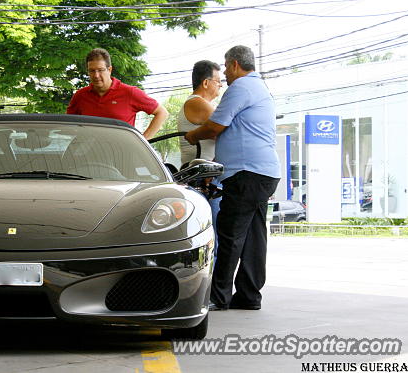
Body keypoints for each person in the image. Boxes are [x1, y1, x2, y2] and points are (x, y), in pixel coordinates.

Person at [184, 45, 280, 311]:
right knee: (253, 237)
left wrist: (192, 136)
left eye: (226, 67)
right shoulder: (259, 87)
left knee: (230, 234)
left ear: (235, 64)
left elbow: (216, 125)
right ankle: (249, 296)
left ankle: (218, 296)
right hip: (264, 172)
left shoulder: (240, 88)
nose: (225, 73)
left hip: (246, 173)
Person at [67, 48, 168, 139]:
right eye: (92, 71)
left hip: (121, 155)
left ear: (109, 69)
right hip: (88, 154)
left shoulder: (129, 92)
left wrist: (142, 141)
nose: (96, 75)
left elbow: (162, 113)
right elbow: (68, 125)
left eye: (100, 70)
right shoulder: (80, 96)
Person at [177, 60, 223, 255]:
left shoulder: (198, 103)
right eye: (218, 81)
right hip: (203, 176)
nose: (220, 86)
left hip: (205, 174)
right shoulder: (197, 103)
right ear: (206, 83)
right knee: (213, 236)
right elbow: (226, 126)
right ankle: (212, 284)